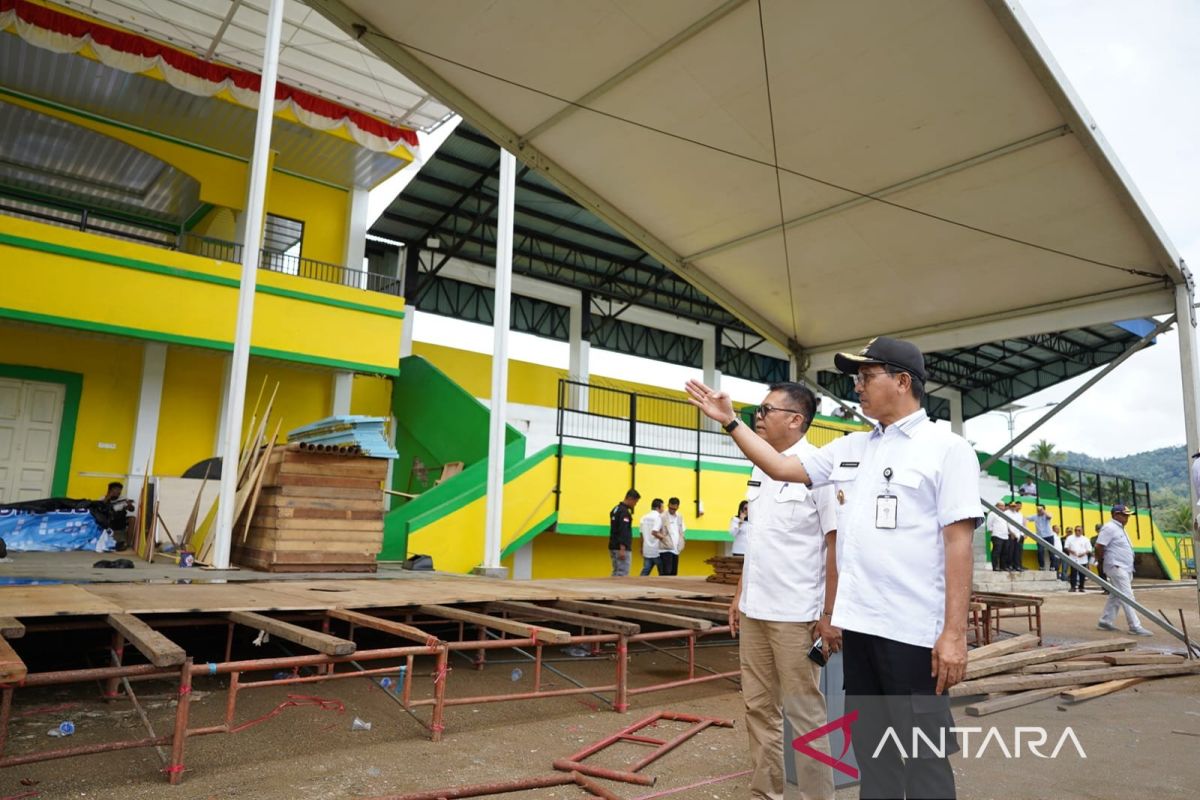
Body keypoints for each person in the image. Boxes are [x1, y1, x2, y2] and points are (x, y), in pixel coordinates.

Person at [687, 336, 980, 800]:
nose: (857, 386)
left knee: (924, 757)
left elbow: (958, 543)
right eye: (857, 378)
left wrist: (954, 635)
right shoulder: (852, 447)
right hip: (861, 628)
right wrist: (730, 423)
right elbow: (781, 467)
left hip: (912, 634)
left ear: (903, 381)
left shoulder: (946, 448)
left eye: (867, 376)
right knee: (871, 753)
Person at [729, 382, 838, 800]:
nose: (758, 414)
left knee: (806, 714)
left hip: (797, 616)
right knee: (758, 710)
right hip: (756, 611)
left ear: (795, 419)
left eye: (767, 408)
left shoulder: (819, 469)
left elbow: (835, 546)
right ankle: (765, 793)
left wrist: (829, 614)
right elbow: (758, 538)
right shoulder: (760, 466)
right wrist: (739, 594)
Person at [1096, 504, 1153, 636]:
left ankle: (1105, 621)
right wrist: (1101, 561)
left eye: (1128, 515)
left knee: (1116, 595)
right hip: (1116, 566)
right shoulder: (1109, 528)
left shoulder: (1120, 528)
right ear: (1116, 515)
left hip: (1125, 567)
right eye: (1124, 515)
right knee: (1127, 595)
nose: (1127, 518)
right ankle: (1135, 626)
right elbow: (1099, 546)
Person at [608, 489, 640, 577]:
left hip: (613, 545)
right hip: (621, 548)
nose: (635, 504)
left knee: (616, 571)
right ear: (630, 499)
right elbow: (623, 530)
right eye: (635, 502)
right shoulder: (624, 512)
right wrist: (623, 548)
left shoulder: (615, 509)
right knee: (622, 573)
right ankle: (616, 590)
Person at [101, 481, 135, 551]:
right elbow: (100, 508)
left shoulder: (123, 498)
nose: (119, 492)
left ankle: (129, 543)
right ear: (110, 490)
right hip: (109, 520)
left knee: (132, 519)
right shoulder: (103, 498)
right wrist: (108, 497)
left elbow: (132, 509)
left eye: (120, 490)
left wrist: (129, 505)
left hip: (121, 520)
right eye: (116, 490)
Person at [639, 499, 668, 576]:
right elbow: (662, 533)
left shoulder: (643, 518)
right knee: (662, 573)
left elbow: (641, 535)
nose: (663, 509)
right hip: (658, 551)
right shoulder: (660, 518)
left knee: (645, 571)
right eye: (662, 507)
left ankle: (639, 585)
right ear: (658, 507)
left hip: (647, 549)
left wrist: (641, 547)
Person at [659, 497, 686, 576]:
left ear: (678, 507)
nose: (672, 510)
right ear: (668, 505)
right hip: (666, 549)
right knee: (667, 573)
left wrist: (683, 541)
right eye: (670, 508)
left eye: (674, 509)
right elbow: (654, 531)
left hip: (676, 549)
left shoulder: (679, 517)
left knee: (674, 573)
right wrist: (664, 539)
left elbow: (682, 531)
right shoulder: (662, 516)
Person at [1024, 505, 1055, 571]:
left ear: (1044, 510)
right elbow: (1025, 518)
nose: (1038, 511)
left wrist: (1043, 511)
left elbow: (1049, 517)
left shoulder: (1047, 514)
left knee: (1051, 551)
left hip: (1049, 536)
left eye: (1040, 509)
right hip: (1040, 537)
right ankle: (1041, 566)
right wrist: (1026, 526)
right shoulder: (1035, 516)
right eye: (1038, 510)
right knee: (1040, 551)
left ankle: (1052, 566)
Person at [1063, 526, 1093, 592]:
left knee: (1082, 574)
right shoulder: (1070, 538)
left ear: (1082, 531)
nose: (1077, 532)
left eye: (1079, 530)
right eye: (1076, 530)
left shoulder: (1085, 539)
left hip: (1083, 559)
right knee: (1073, 573)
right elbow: (1066, 547)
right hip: (1073, 558)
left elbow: (1089, 549)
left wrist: (1084, 553)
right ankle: (1073, 587)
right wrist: (1072, 551)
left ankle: (1081, 587)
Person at [986, 502, 1009, 572]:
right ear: (996, 506)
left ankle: (1003, 567)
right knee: (996, 551)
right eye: (1001, 506)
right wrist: (991, 531)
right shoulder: (992, 513)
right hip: (996, 535)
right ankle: (995, 566)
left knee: (1005, 552)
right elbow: (989, 524)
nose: (1002, 507)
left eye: (1003, 506)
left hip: (1005, 536)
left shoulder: (1004, 514)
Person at [1005, 501, 1026, 572]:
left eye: (1014, 506)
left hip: (1018, 535)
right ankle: (1009, 565)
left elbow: (1020, 525)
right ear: (1010, 506)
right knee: (1010, 551)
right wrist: (1011, 533)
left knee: (1017, 552)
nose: (1013, 507)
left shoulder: (1018, 514)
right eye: (1012, 506)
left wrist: (1021, 534)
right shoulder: (1006, 513)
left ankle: (1017, 566)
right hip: (1010, 534)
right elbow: (1007, 524)